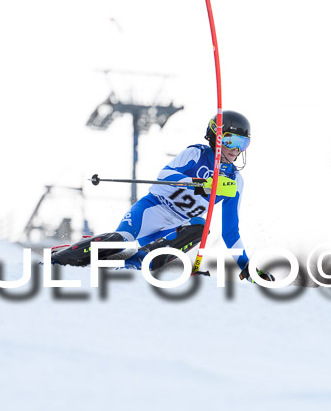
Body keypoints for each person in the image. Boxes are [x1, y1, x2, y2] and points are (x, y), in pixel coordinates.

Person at [51, 110, 274, 283]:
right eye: (230, 141)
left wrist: (246, 266)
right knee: (122, 241)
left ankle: (138, 263)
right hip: (153, 209)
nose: (236, 150)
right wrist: (200, 184)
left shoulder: (235, 181)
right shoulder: (196, 154)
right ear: (215, 137)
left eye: (242, 144)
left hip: (177, 225)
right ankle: (59, 259)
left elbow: (230, 231)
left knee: (201, 226)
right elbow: (164, 174)